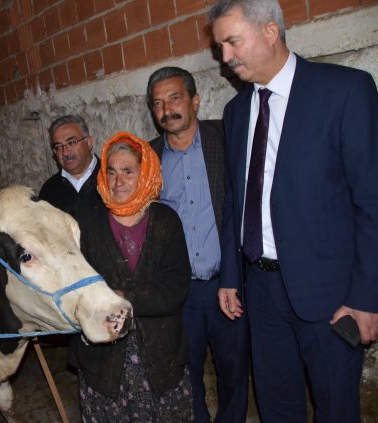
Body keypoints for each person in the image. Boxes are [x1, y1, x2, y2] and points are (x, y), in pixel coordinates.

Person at [209, 1, 378, 422]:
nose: (225, 57)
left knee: (336, 409)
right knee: (276, 407)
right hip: (260, 292)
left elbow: (372, 202)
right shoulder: (235, 112)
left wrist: (366, 298)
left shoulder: (345, 91)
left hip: (330, 295)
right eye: (220, 46)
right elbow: (234, 200)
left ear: (270, 32)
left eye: (232, 42)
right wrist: (230, 275)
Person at [147, 66, 250, 423]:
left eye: (175, 98)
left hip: (228, 284)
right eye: (157, 103)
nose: (166, 110)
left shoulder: (225, 139)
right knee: (185, 375)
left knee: (234, 371)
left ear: (195, 101)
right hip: (179, 292)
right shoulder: (148, 159)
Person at [69, 132, 193, 422]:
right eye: (111, 172)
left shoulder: (166, 221)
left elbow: (176, 286)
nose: (118, 181)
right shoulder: (87, 222)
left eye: (128, 171)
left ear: (145, 172)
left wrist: (124, 298)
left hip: (159, 351)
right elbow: (73, 281)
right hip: (104, 355)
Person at [39, 115, 103, 218]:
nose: (65, 152)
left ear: (89, 142)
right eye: (58, 146)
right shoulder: (49, 189)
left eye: (72, 142)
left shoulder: (112, 179)